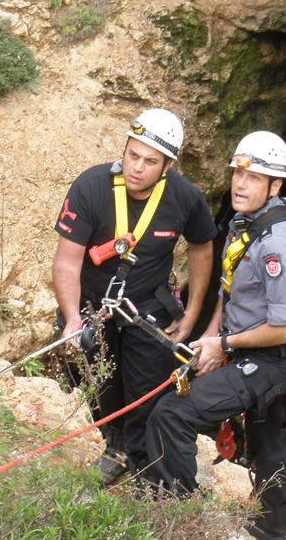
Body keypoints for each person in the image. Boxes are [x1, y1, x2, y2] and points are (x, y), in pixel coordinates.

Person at [144, 130, 286, 540]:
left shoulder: (280, 244)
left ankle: (176, 522)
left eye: (255, 178)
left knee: (172, 413)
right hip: (256, 350)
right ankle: (274, 539)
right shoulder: (247, 225)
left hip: (279, 358)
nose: (241, 184)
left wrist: (224, 345)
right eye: (239, 173)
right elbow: (231, 290)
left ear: (275, 186)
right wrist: (208, 339)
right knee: (268, 440)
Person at [52, 108, 217, 485]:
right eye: (132, 155)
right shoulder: (91, 187)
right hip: (92, 301)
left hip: (145, 304)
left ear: (168, 165)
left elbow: (202, 247)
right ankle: (115, 445)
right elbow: (66, 263)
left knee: (146, 389)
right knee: (103, 381)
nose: (137, 167)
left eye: (150, 161)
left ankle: (144, 464)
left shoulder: (184, 198)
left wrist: (191, 315)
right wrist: (73, 319)